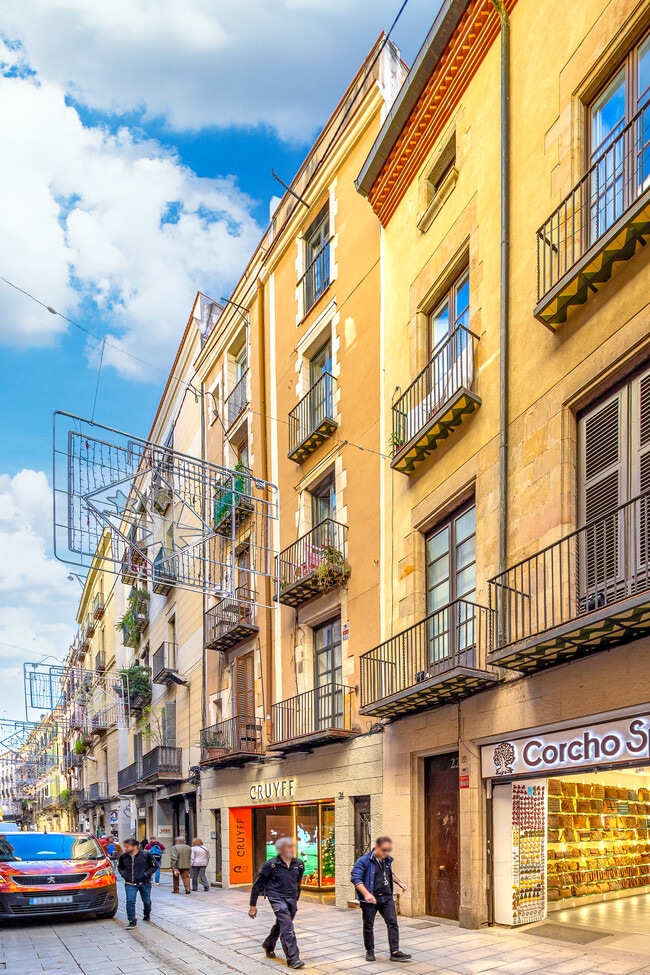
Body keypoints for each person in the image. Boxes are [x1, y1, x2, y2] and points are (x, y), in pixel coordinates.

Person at [351, 836, 411, 963]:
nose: (386, 853)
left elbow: (389, 873)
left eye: (388, 850)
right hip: (370, 899)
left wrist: (400, 883)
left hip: (386, 897)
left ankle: (395, 952)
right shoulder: (363, 861)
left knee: (393, 923)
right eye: (384, 850)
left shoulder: (387, 860)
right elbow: (356, 879)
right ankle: (370, 951)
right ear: (376, 847)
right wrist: (367, 894)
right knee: (368, 925)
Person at [248, 836, 305, 969]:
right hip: (276, 897)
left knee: (282, 924)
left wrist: (296, 898)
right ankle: (293, 958)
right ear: (280, 849)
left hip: (291, 897)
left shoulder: (299, 864)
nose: (291, 849)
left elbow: (297, 882)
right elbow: (257, 885)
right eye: (288, 846)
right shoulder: (271, 865)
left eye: (292, 846)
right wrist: (253, 906)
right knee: (288, 928)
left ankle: (268, 944)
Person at [117, 837, 157, 929]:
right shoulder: (123, 856)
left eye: (127, 847)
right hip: (130, 884)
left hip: (144, 883)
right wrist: (124, 875)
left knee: (146, 902)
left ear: (135, 846)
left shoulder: (146, 855)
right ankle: (132, 920)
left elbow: (154, 866)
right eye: (125, 847)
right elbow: (120, 867)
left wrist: (146, 874)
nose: (125, 849)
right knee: (130, 901)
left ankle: (146, 914)